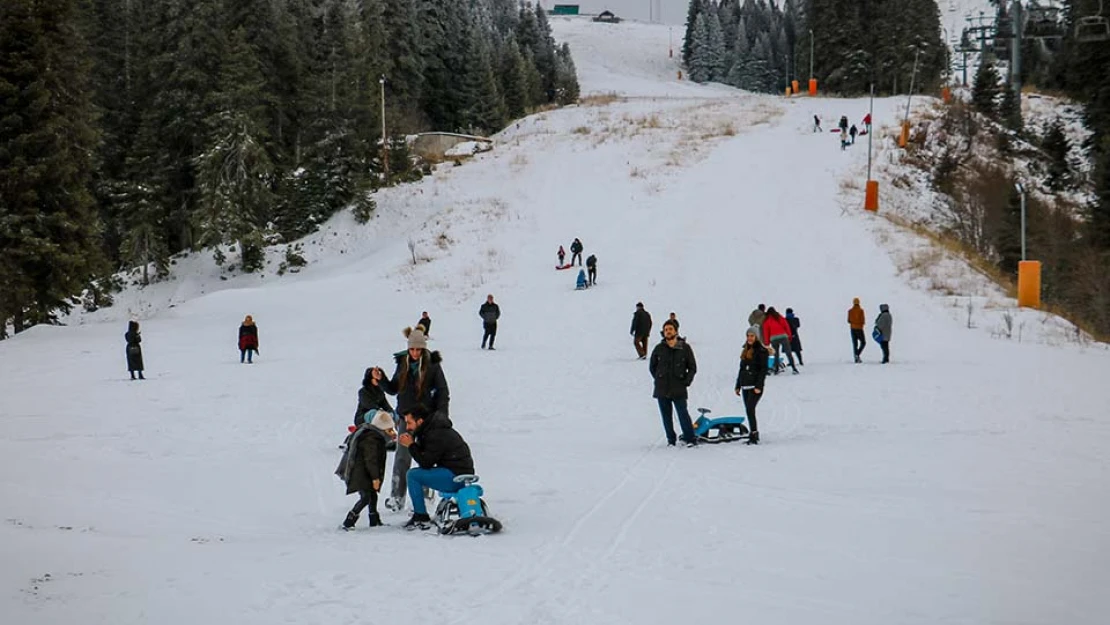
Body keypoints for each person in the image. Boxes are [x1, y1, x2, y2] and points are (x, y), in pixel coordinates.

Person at [376, 326, 450, 512]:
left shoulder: (433, 365)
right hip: (405, 417)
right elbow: (393, 388)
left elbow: (442, 392)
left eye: (419, 349)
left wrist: (441, 416)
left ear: (424, 349)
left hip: (426, 420)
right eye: (412, 349)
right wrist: (382, 379)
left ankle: (425, 496)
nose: (415, 353)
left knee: (425, 457)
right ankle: (396, 497)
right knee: (402, 456)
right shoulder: (402, 363)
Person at [397, 404, 475, 530]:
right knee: (415, 474)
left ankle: (421, 517)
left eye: (409, 423)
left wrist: (411, 445)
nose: (407, 427)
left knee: (413, 475)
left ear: (420, 421)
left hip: (456, 477)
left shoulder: (435, 433)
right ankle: (420, 515)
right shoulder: (432, 430)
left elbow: (426, 462)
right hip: (457, 473)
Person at [336, 410, 396, 529]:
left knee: (372, 495)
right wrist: (375, 478)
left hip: (364, 472)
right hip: (361, 474)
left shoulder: (372, 434)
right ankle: (349, 520)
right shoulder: (371, 439)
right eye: (389, 430)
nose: (393, 433)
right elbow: (371, 460)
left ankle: (374, 518)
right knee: (365, 498)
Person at [649, 319, 698, 447]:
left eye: (670, 329)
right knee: (666, 417)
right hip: (662, 389)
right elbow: (652, 366)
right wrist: (659, 378)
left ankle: (690, 438)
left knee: (683, 414)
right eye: (666, 330)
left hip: (678, 388)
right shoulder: (659, 348)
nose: (668, 332)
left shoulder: (684, 347)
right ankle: (671, 440)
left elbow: (692, 367)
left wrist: (686, 381)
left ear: (676, 331)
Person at [734, 326, 769, 445]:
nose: (749, 338)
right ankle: (753, 433)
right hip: (745, 385)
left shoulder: (761, 351)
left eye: (752, 336)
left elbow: (763, 370)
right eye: (748, 336)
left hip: (754, 386)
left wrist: (759, 386)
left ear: (756, 337)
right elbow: (741, 369)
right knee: (749, 410)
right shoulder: (745, 350)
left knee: (750, 409)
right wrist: (738, 385)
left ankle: (754, 434)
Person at [762, 307, 798, 374]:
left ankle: (776, 369)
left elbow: (766, 332)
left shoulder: (766, 321)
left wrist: (767, 342)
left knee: (776, 354)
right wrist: (789, 336)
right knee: (788, 353)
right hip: (783, 336)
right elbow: (786, 326)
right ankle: (794, 368)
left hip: (773, 338)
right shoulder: (779, 317)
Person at [848, 297, 866, 363]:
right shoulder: (861, 311)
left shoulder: (850, 311)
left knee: (855, 344)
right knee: (863, 342)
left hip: (852, 329)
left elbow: (848, 320)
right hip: (859, 329)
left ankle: (856, 358)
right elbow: (863, 320)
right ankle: (857, 354)